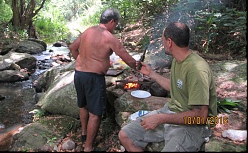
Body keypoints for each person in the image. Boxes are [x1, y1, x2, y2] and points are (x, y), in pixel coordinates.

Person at [118, 22, 217, 152]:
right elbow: (175, 87)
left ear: (169, 42)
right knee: (125, 135)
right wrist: (151, 74)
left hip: (193, 126)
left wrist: (161, 118)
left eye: (163, 40)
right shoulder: (178, 59)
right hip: (171, 112)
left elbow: (200, 116)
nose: (162, 43)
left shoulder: (196, 70)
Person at [69, 8, 137, 152]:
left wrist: (82, 63)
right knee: (96, 114)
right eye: (116, 24)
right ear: (112, 21)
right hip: (93, 78)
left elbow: (72, 48)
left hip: (79, 74)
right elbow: (126, 57)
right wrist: (138, 67)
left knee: (83, 105)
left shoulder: (87, 31)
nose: (115, 28)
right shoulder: (109, 37)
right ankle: (88, 148)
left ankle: (84, 133)